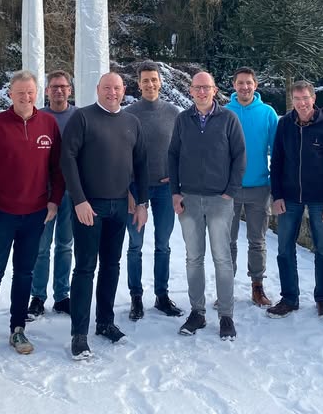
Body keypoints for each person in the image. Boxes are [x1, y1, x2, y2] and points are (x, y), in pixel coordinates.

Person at [0, 71, 65, 364]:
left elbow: (57, 170)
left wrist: (54, 201)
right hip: (1, 215)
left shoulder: (48, 124)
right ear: (10, 94)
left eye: (31, 92)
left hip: (35, 215)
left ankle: (17, 329)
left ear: (38, 93)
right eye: (20, 93)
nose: (26, 97)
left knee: (24, 273)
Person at [61, 72, 149, 360]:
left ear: (124, 90)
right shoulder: (83, 118)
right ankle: (79, 333)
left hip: (119, 206)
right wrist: (79, 200)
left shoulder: (132, 122)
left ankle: (105, 322)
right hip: (89, 206)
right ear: (98, 89)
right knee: (85, 268)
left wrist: (142, 202)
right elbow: (67, 159)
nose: (112, 92)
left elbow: (141, 164)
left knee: (112, 265)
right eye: (107, 87)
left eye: (117, 88)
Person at [169, 72, 246, 341]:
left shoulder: (228, 119)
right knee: (194, 258)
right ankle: (197, 312)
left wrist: (230, 192)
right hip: (189, 198)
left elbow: (239, 156)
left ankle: (226, 315)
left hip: (219, 200)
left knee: (222, 258)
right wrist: (175, 192)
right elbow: (173, 155)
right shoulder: (182, 119)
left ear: (214, 90)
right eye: (197, 88)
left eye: (206, 88)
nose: (202, 92)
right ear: (190, 91)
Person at [266, 81, 323, 320]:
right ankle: (289, 298)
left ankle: (322, 299)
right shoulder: (284, 124)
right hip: (289, 197)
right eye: (297, 99)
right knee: (284, 249)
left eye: (305, 98)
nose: (301, 103)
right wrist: (277, 195)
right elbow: (277, 162)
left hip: (321, 198)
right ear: (292, 100)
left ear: (313, 99)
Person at [124, 62, 183, 320]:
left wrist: (177, 176)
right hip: (136, 189)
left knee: (163, 244)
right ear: (139, 84)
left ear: (160, 82)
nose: (150, 84)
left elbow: (181, 149)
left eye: (154, 79)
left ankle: (162, 295)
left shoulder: (173, 113)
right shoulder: (128, 114)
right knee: (135, 245)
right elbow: (122, 154)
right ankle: (136, 296)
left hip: (164, 189)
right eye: (145, 80)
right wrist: (128, 191)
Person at [223, 67, 278, 307]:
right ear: (234, 85)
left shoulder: (267, 113)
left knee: (257, 241)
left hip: (259, 187)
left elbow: (278, 151)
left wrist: (275, 184)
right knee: (228, 242)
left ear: (256, 85)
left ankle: (257, 286)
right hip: (230, 189)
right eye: (240, 83)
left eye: (249, 83)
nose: (245, 87)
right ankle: (226, 288)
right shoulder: (224, 112)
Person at [27, 70, 77, 321]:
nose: (59, 90)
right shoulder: (38, 117)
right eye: (54, 87)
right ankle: (37, 296)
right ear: (47, 91)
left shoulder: (79, 117)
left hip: (71, 190)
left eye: (63, 86)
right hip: (43, 193)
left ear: (70, 90)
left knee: (65, 245)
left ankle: (61, 296)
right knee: (41, 247)